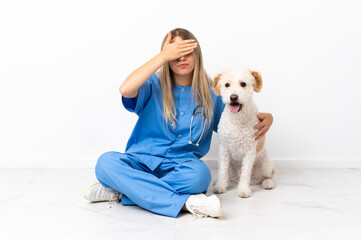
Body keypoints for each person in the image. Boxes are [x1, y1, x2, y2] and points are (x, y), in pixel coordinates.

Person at [83, 28, 273, 218]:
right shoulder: (153, 83)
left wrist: (268, 118)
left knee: (200, 177)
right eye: (174, 52)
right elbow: (125, 89)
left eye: (186, 51)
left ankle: (122, 191)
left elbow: (234, 117)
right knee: (105, 163)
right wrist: (162, 57)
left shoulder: (213, 91)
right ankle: (185, 203)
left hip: (182, 167)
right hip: (140, 161)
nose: (181, 58)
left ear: (196, 54)